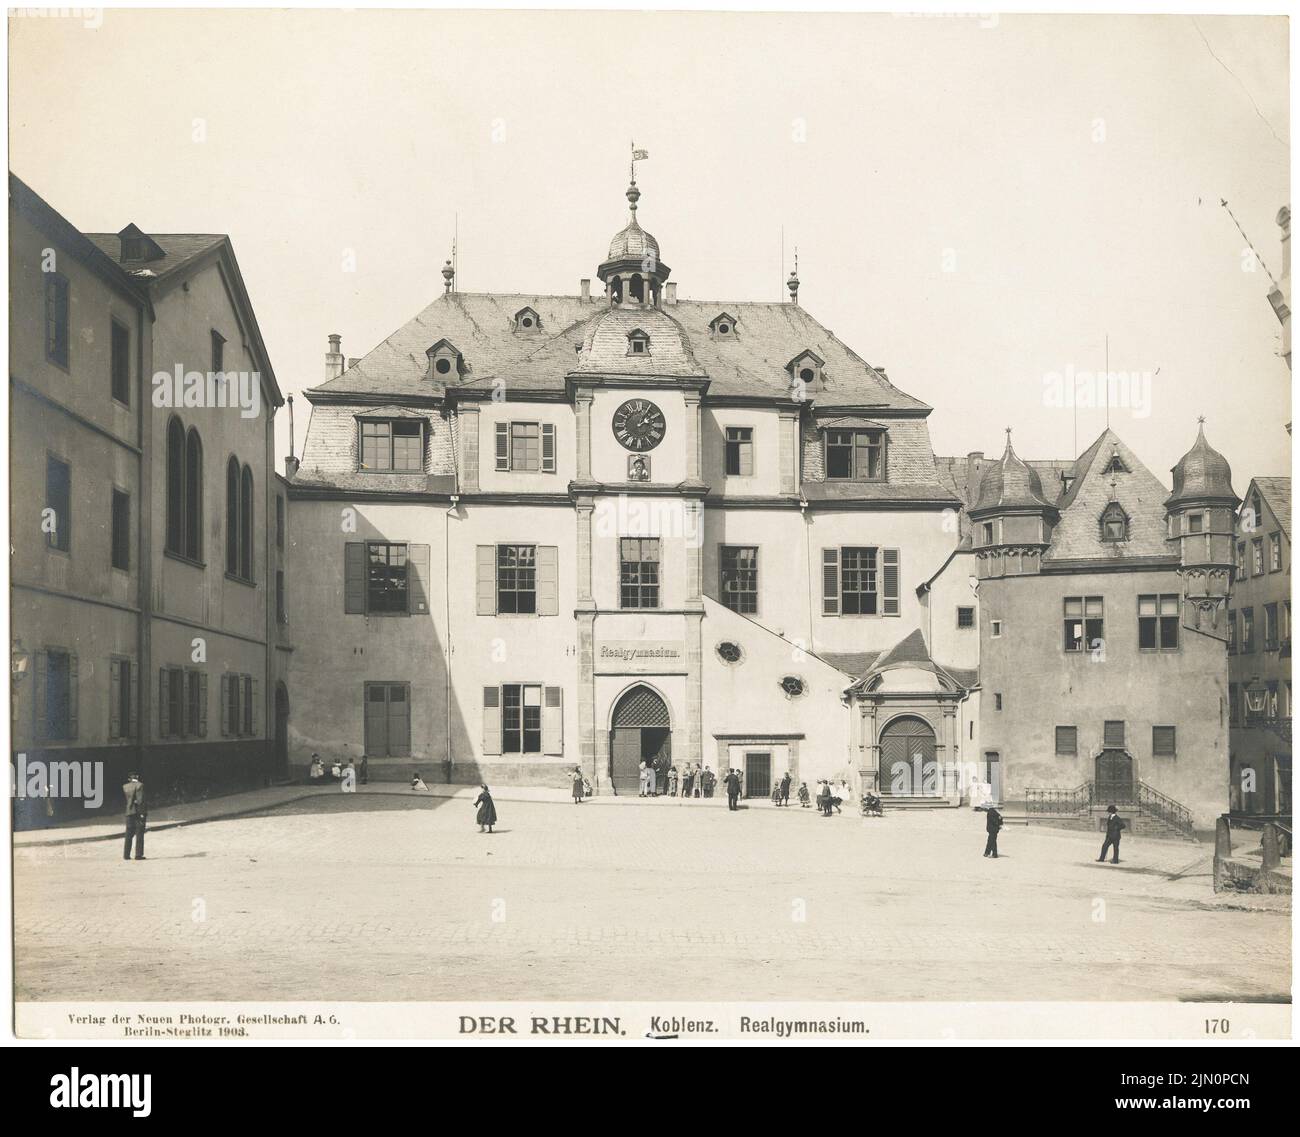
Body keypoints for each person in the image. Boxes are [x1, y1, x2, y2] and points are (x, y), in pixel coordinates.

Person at [122, 772, 146, 861]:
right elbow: (140, 801)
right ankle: (138, 854)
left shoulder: (125, 786)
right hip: (138, 812)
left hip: (129, 812)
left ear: (129, 779)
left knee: (128, 833)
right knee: (139, 833)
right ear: (137, 777)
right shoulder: (140, 785)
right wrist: (142, 813)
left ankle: (126, 854)